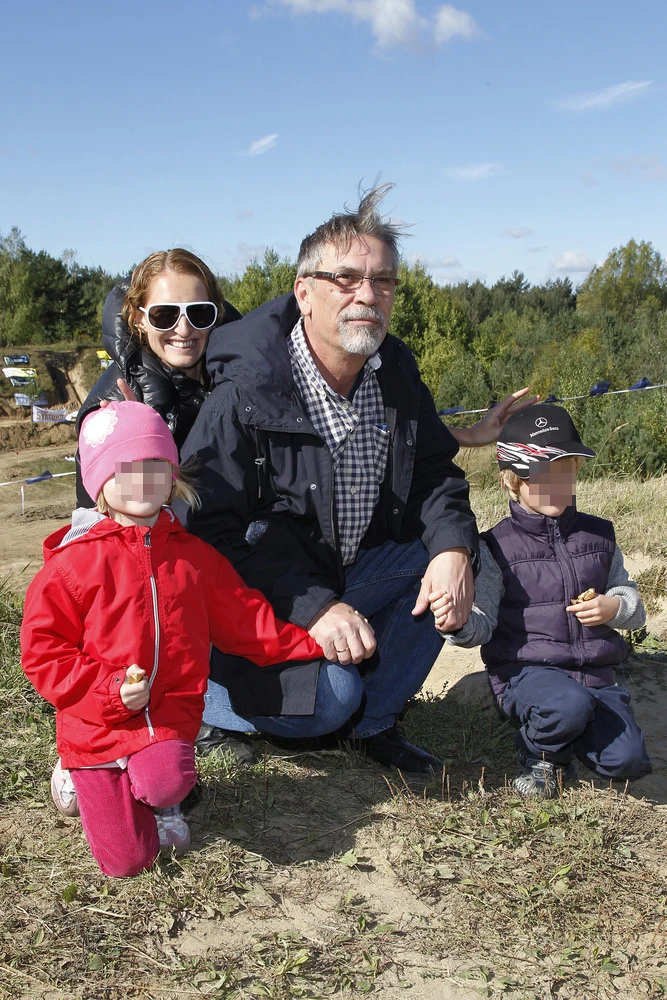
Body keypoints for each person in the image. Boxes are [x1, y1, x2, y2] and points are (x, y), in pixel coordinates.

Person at [177, 184, 534, 774]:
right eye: (345, 279)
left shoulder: (394, 370)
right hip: (262, 599)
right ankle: (204, 703)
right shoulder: (246, 392)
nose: (367, 295)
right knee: (329, 701)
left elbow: (433, 472)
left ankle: (375, 722)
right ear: (305, 293)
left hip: (348, 572)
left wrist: (450, 549)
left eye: (383, 281)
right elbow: (205, 529)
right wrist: (315, 608)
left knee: (445, 563)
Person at [20, 402, 322, 877]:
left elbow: (245, 620)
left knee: (166, 783)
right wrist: (108, 690)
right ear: (99, 481)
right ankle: (76, 772)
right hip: (95, 726)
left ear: (172, 477)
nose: (143, 480)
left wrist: (315, 641)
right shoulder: (70, 567)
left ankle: (162, 804)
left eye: (155, 466)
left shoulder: (193, 558)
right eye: (127, 468)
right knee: (128, 863)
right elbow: (44, 653)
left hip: (165, 716)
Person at [434, 403, 651, 795]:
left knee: (628, 761)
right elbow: (482, 621)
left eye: (564, 472)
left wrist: (614, 606)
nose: (555, 485)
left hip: (596, 678)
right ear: (511, 480)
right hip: (527, 672)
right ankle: (539, 754)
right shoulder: (496, 546)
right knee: (566, 705)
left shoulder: (600, 536)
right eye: (541, 475)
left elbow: (631, 599)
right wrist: (459, 623)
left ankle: (571, 730)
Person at [75, 248, 241, 506]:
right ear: (139, 319)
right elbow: (110, 522)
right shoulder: (116, 404)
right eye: (165, 315)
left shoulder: (236, 380)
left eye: (199, 313)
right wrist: (137, 445)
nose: (184, 329)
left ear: (216, 315)